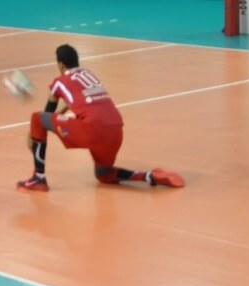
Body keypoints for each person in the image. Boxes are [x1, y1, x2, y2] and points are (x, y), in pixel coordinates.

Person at [17, 44, 185, 192]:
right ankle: (150, 177)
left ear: (60, 65)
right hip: (116, 131)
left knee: (36, 118)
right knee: (104, 174)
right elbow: (79, 102)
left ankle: (39, 178)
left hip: (93, 130)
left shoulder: (60, 82)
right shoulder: (89, 75)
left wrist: (32, 136)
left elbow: (47, 114)